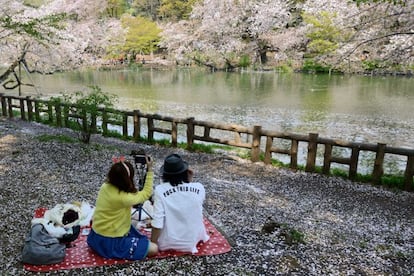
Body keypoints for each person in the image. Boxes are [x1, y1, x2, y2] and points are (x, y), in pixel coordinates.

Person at [87, 156, 158, 260]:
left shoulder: (105, 186)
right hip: (110, 242)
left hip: (95, 237)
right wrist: (150, 169)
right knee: (153, 248)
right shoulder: (123, 198)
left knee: (134, 226)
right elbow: (146, 193)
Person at [150, 153, 209, 253]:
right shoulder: (199, 187)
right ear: (185, 171)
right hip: (194, 239)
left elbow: (157, 223)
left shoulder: (160, 190)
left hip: (168, 242)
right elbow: (192, 202)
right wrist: (189, 181)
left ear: (164, 174)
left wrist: (153, 243)